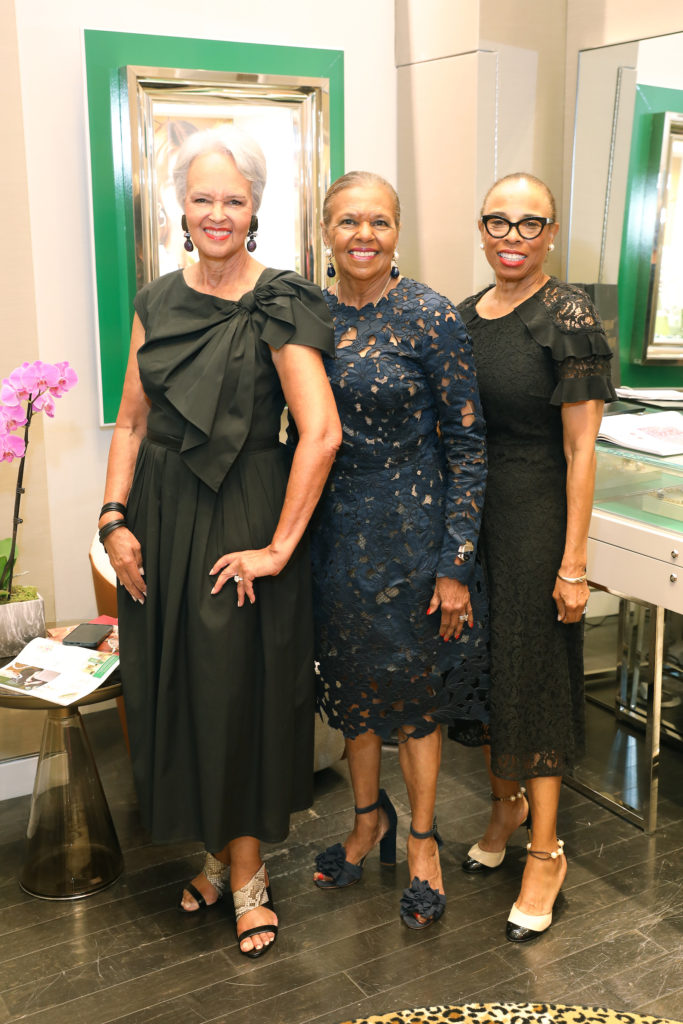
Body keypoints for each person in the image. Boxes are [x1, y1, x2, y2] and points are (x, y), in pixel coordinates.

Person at [99, 126, 341, 958]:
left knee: (236, 693)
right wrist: (113, 518)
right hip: (161, 517)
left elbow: (319, 433)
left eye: (232, 200)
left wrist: (277, 549)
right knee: (180, 688)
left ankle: (247, 875)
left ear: (255, 207)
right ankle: (212, 853)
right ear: (180, 203)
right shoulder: (156, 301)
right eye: (202, 197)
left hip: (245, 512)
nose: (216, 213)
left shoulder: (282, 301)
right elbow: (132, 422)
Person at [309, 171, 489, 929]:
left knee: (415, 705)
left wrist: (454, 566)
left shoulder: (430, 315)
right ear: (325, 231)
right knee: (353, 692)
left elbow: (469, 447)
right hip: (333, 539)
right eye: (348, 221)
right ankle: (366, 821)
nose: (363, 235)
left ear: (397, 231)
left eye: (378, 222)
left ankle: (420, 840)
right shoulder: (309, 314)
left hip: (415, 541)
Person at [453, 172, 616, 941]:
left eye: (529, 223)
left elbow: (581, 450)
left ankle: (546, 852)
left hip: (536, 521)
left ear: (550, 233)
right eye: (498, 221)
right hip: (472, 518)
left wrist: (572, 563)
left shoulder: (567, 316)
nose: (512, 237)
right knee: (485, 669)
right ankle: (504, 808)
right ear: (481, 229)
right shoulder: (464, 316)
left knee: (534, 678)